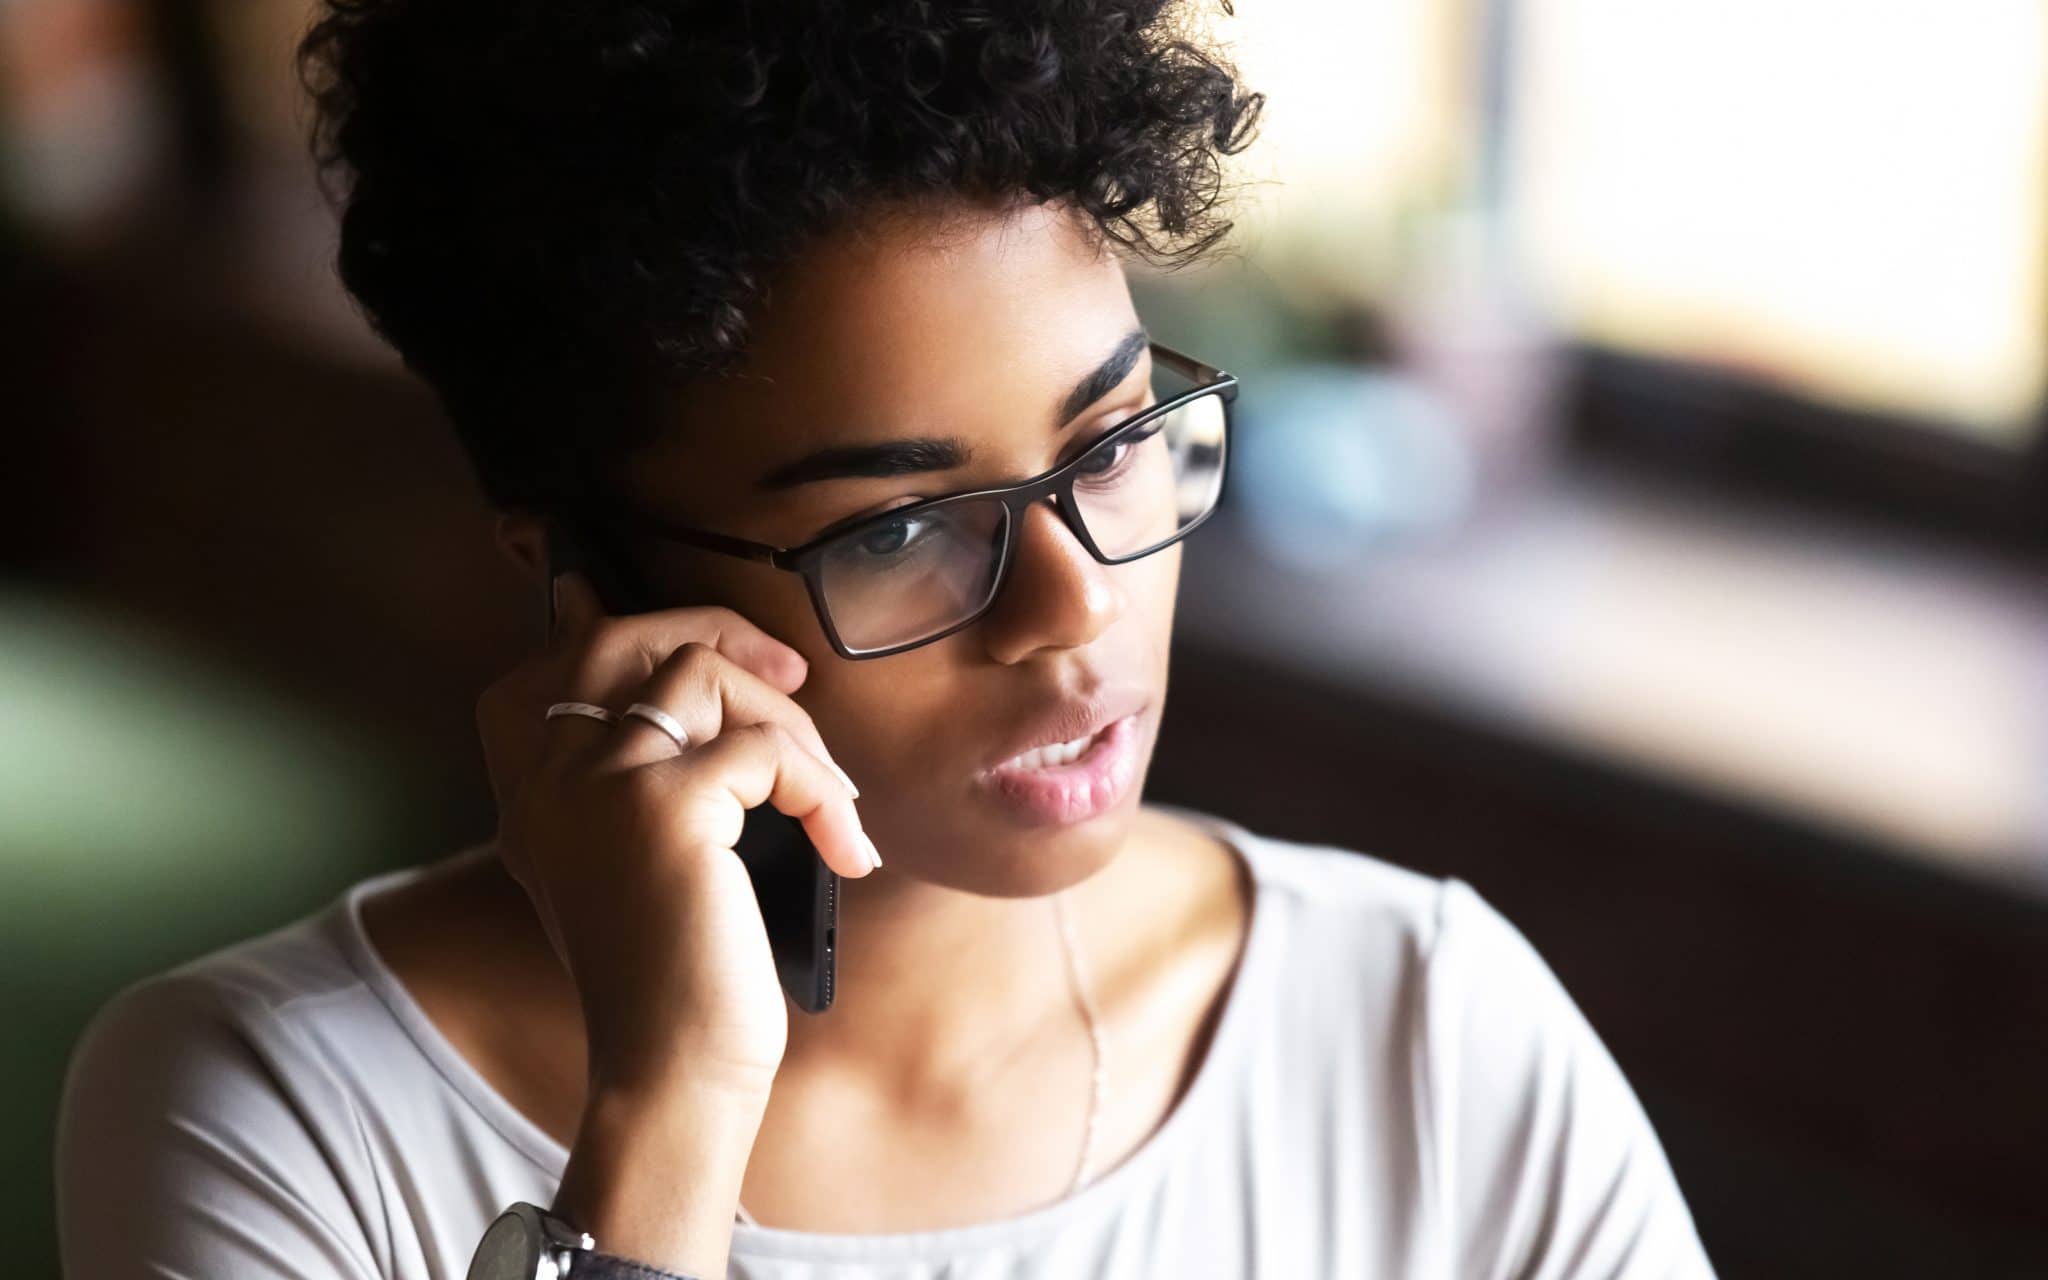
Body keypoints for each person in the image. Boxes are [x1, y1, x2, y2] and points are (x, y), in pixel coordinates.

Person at [54, 1, 1717, 1276]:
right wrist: (669, 1116)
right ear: (587, 581)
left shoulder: (1426, 1039)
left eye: (1117, 440)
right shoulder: (272, 1118)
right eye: (906, 531)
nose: (1079, 609)